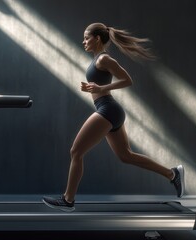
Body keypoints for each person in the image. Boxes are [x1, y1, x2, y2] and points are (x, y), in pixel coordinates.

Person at [42, 22, 184, 212]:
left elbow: (127, 80)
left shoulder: (103, 59)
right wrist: (95, 88)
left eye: (86, 37)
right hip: (109, 110)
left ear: (97, 38)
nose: (83, 41)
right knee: (126, 156)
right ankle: (172, 174)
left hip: (107, 109)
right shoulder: (97, 60)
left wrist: (101, 88)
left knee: (76, 152)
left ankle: (68, 200)